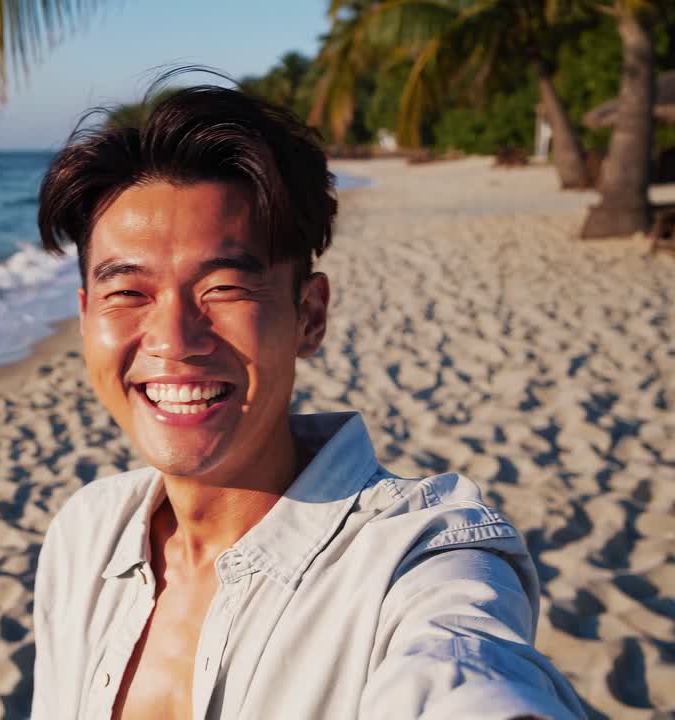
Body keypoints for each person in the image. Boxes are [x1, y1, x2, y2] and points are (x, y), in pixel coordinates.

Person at [29, 80, 586, 720]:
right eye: (128, 293)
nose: (174, 341)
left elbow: (466, 671)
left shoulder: (412, 558)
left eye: (225, 288)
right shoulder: (84, 536)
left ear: (310, 316)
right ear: (84, 316)